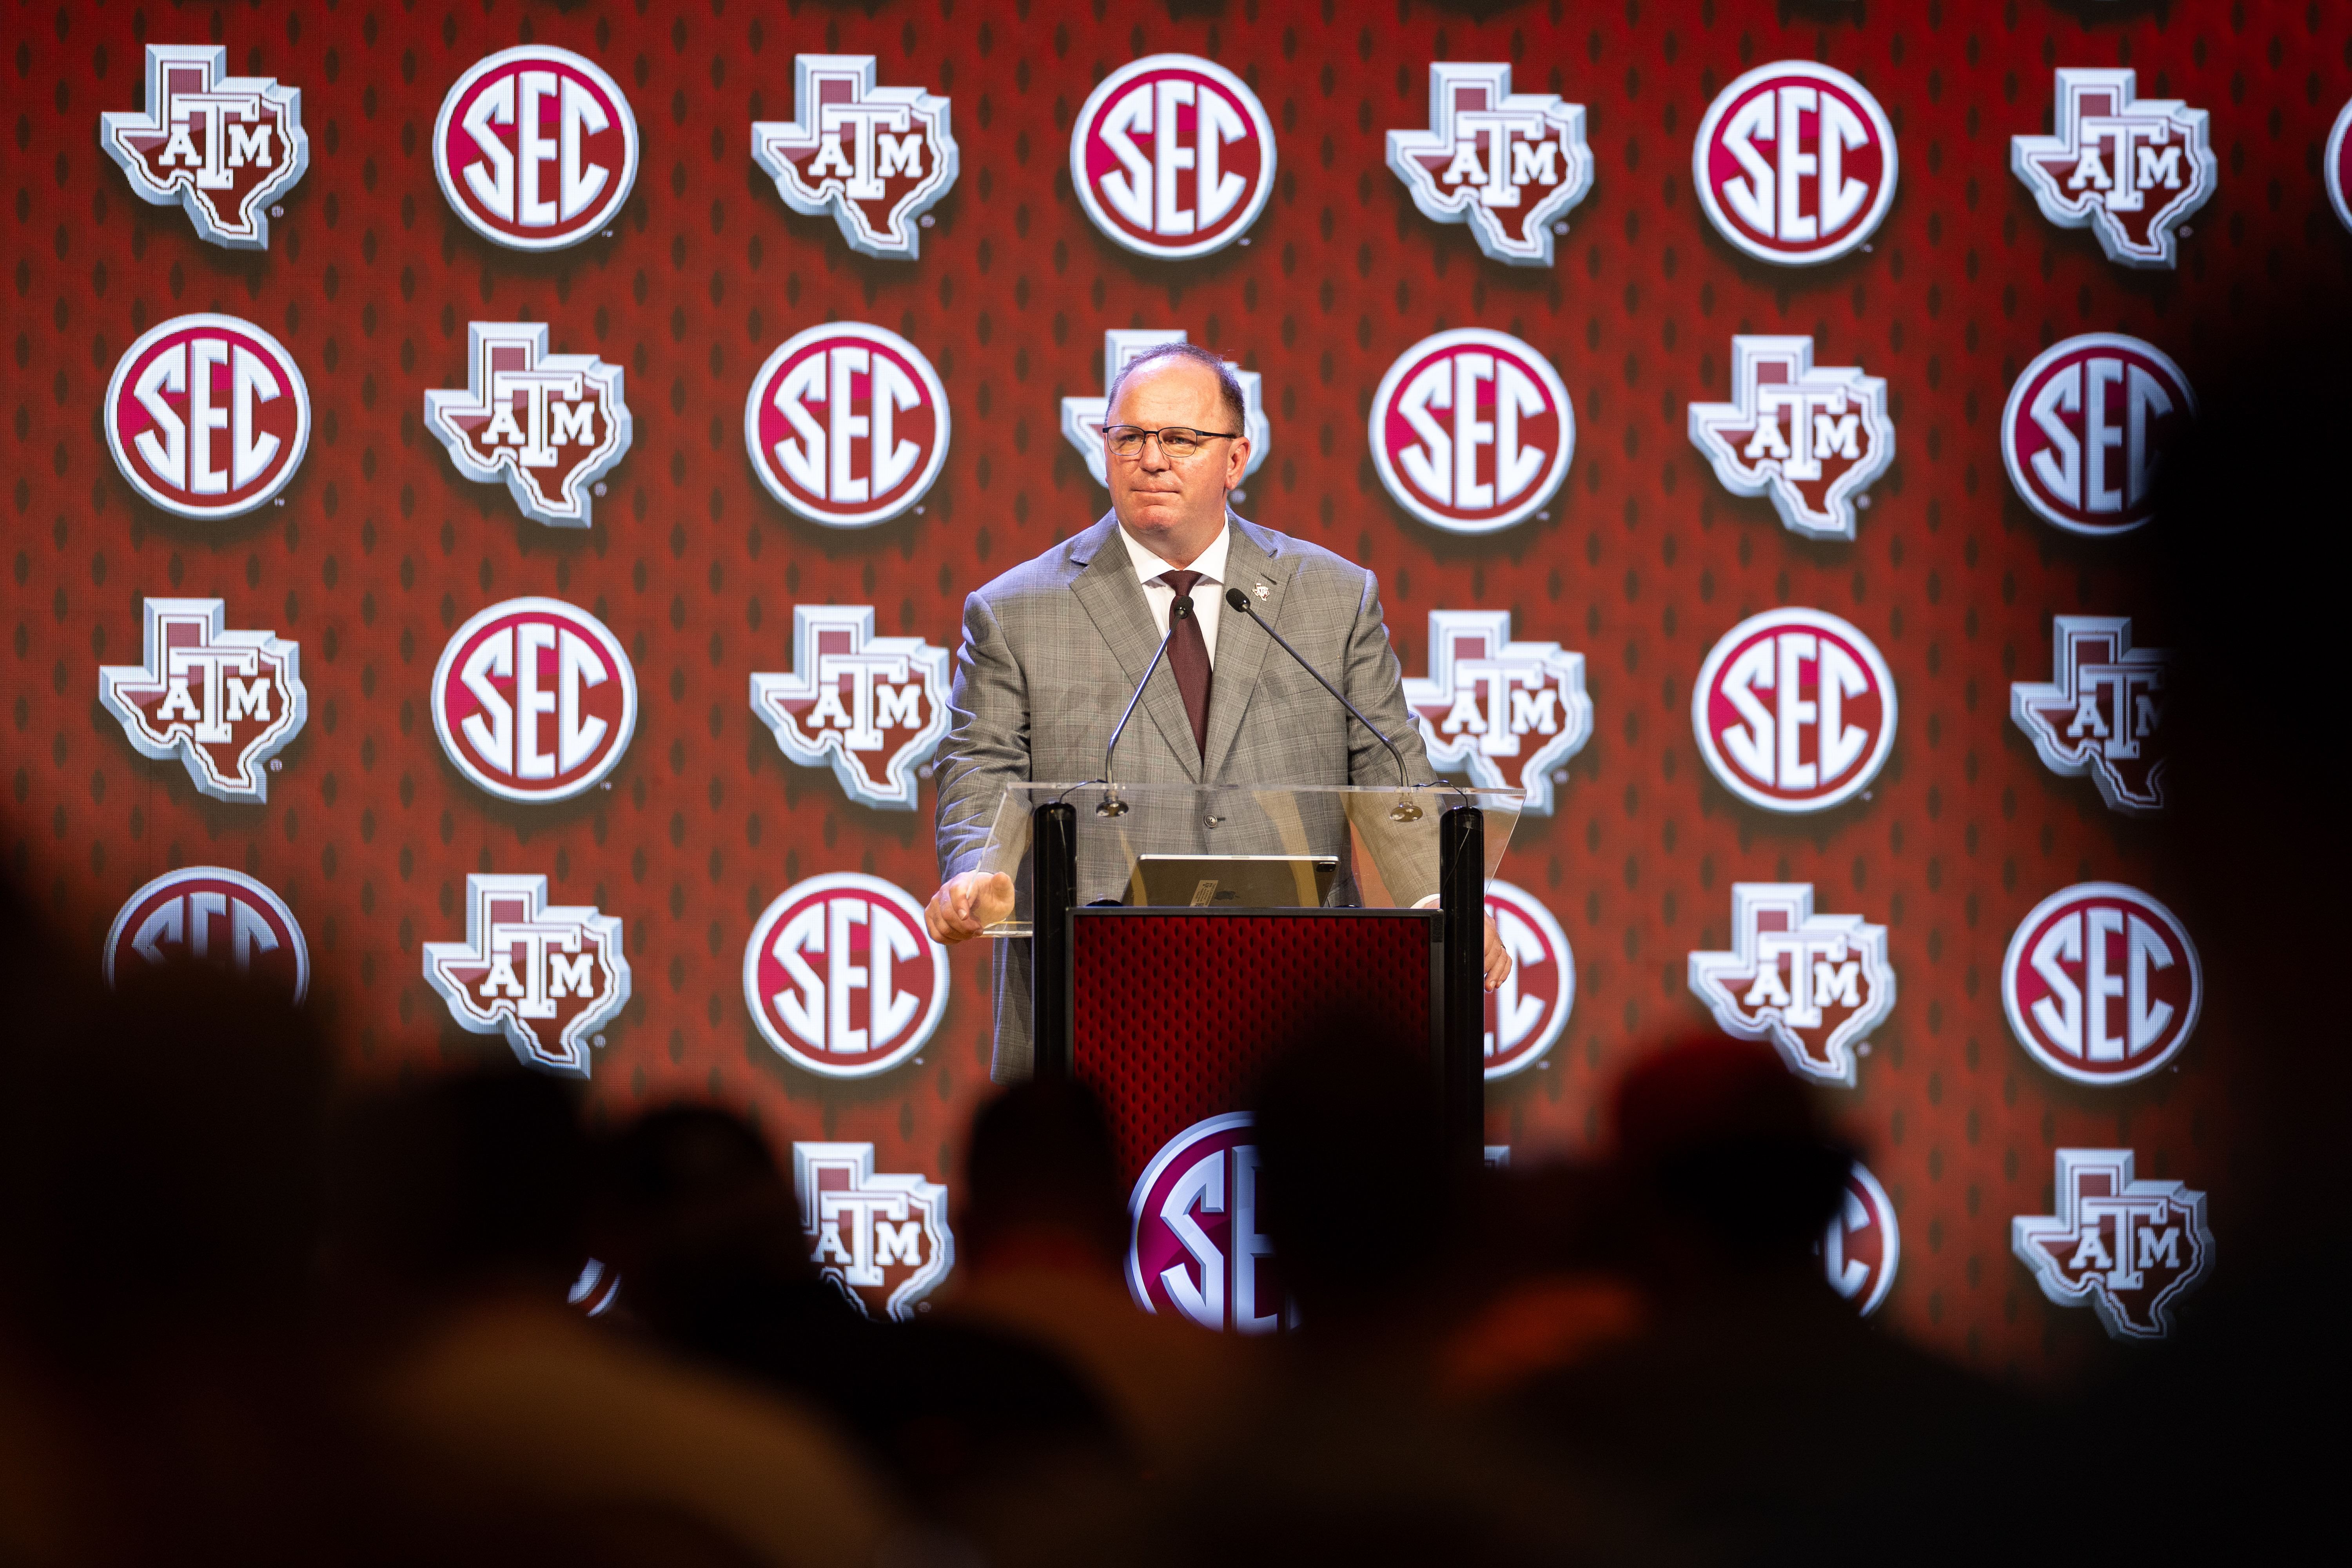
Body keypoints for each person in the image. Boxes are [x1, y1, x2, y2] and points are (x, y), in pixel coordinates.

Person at [926, 341, 1508, 1079]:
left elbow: (1391, 767)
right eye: (1128, 437)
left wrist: (1439, 893)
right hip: (1098, 1004)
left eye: (1181, 439)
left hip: (1298, 1003)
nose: (1151, 459)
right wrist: (978, 873)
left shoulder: (1331, 597)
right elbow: (981, 767)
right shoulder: (1017, 611)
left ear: (1236, 460)